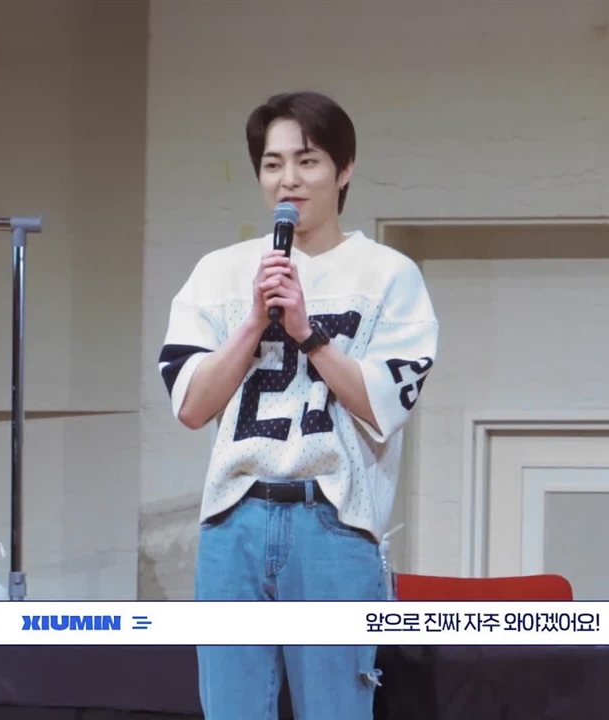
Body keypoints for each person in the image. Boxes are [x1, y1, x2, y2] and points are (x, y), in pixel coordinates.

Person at [157, 90, 440, 720]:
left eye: (307, 161)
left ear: (344, 169)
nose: (288, 179)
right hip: (233, 519)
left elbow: (382, 406)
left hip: (333, 521)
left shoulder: (388, 274)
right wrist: (253, 323)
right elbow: (192, 406)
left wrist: (308, 333)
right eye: (272, 163)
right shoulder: (218, 273)